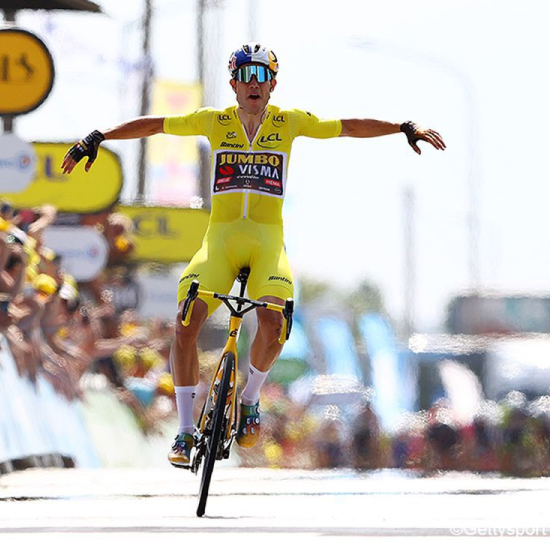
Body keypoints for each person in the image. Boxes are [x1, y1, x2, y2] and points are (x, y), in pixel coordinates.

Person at [63, 42, 446, 468]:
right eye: (246, 76)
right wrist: (99, 136)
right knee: (185, 324)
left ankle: (248, 399)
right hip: (220, 242)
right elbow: (155, 125)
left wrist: (402, 127)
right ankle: (187, 431)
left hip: (266, 242)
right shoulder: (214, 122)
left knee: (272, 319)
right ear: (233, 83)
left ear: (273, 84)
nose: (254, 83)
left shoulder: (289, 122)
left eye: (262, 76)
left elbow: (349, 127)